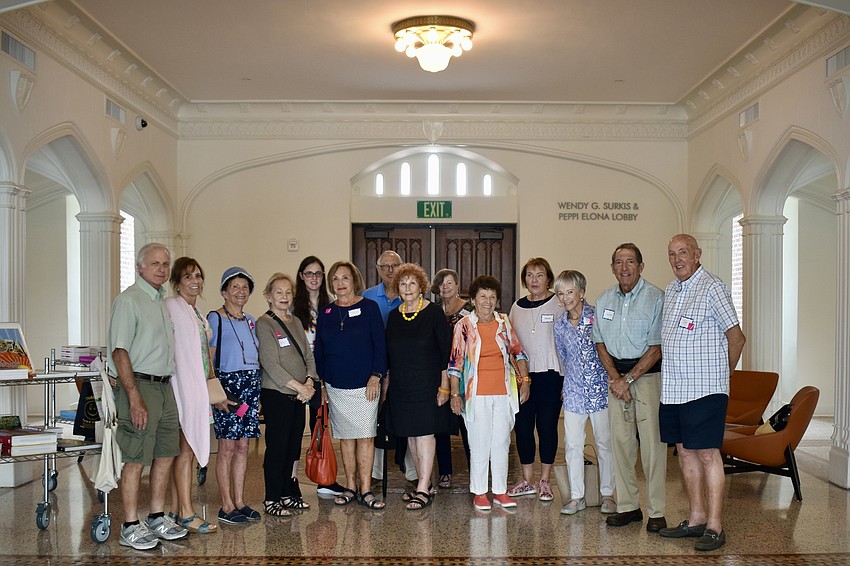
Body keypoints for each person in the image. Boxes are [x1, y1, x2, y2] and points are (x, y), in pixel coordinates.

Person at [658, 234, 746, 552]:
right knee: (684, 451)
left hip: (705, 389)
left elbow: (736, 337)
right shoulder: (671, 289)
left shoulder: (712, 287)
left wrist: (724, 376)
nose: (677, 258)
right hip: (674, 389)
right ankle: (695, 518)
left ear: (697, 254)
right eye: (672, 254)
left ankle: (714, 525)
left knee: (708, 455)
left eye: (683, 252)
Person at [107, 243, 188, 550]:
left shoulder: (159, 301)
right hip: (139, 386)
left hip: (164, 386)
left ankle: (156, 516)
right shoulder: (130, 300)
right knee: (136, 457)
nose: (162, 269)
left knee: (166, 452)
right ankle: (129, 524)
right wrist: (134, 397)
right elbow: (119, 351)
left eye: (165, 264)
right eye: (155, 263)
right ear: (140, 267)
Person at [593, 243, 667, 532]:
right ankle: (628, 507)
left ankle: (657, 511)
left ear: (641, 266)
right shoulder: (603, 300)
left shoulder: (656, 298)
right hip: (616, 382)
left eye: (631, 261)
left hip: (647, 378)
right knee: (621, 445)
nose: (624, 267)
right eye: (619, 262)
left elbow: (657, 346)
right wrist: (616, 379)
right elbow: (599, 341)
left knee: (652, 446)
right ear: (612, 267)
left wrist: (629, 380)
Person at [448, 275, 529, 511]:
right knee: (479, 443)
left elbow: (519, 354)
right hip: (476, 395)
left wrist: (525, 382)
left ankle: (501, 492)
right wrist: (455, 394)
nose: (488, 301)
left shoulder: (504, 322)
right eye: (483, 296)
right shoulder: (463, 326)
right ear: (473, 299)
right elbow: (455, 364)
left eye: (492, 297)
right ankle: (480, 492)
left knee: (501, 443)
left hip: (503, 393)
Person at [314, 261, 387, 510]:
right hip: (336, 386)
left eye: (345, 278)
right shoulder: (325, 313)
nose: (340, 283)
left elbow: (380, 345)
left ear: (354, 281)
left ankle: (366, 489)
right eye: (335, 279)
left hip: (366, 385)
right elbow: (319, 351)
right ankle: (350, 486)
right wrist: (322, 383)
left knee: (365, 437)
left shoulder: (369, 308)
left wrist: (376, 375)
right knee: (345, 438)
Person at [385, 263, 452, 510]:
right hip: (402, 384)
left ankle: (423, 487)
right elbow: (389, 355)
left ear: (421, 286)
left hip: (428, 383)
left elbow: (445, 351)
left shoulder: (433, 312)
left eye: (412, 283)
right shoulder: (394, 316)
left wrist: (445, 385)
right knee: (412, 434)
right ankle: (424, 483)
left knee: (425, 432)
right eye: (403, 284)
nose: (407, 288)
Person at [553, 270, 616, 516]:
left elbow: (607, 349)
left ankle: (608, 494)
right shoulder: (559, 325)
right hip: (574, 392)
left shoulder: (597, 316)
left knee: (604, 443)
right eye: (561, 293)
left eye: (570, 292)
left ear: (581, 293)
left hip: (601, 390)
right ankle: (576, 497)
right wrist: (567, 385)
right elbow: (563, 358)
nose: (566, 297)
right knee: (573, 445)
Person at [256, 273, 317, 516]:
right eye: (278, 292)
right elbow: (270, 363)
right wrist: (300, 386)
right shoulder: (264, 323)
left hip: (299, 396)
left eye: (288, 292)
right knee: (277, 448)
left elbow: (308, 355)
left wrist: (310, 380)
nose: (284, 296)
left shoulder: (295, 321)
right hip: (277, 395)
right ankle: (271, 498)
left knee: (293, 447)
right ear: (268, 296)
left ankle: (288, 493)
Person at [164, 257, 218, 534]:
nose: (195, 280)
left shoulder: (196, 312)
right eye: (188, 277)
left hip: (198, 389)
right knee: (184, 451)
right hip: (183, 388)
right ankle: (185, 512)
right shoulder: (173, 307)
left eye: (198, 275)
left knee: (186, 451)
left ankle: (176, 509)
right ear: (176, 282)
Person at [507, 258, 565, 503]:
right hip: (523, 376)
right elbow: (511, 342)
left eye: (539, 275)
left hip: (551, 374)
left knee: (547, 427)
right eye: (529, 275)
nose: (534, 280)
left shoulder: (559, 303)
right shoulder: (516, 307)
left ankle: (545, 481)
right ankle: (527, 480)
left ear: (548, 278)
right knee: (522, 428)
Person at [208, 267, 262, 525]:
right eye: (235, 287)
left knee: (243, 446)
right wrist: (217, 393)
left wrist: (257, 392)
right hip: (228, 387)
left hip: (250, 386)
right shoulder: (215, 318)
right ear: (224, 291)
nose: (240, 292)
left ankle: (240, 501)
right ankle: (226, 504)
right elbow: (208, 358)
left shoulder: (250, 321)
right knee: (227, 447)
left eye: (245, 287)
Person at [292, 256, 345, 497]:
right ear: (302, 276)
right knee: (293, 430)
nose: (314, 278)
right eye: (309, 273)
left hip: (321, 375)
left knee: (319, 426)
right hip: (295, 375)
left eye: (318, 273)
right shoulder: (292, 306)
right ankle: (291, 480)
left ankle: (325, 479)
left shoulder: (331, 306)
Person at [430, 268, 473, 488]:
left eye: (449, 283)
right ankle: (445, 472)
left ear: (457, 285)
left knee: (467, 425)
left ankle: (476, 470)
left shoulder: (469, 310)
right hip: (439, 374)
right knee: (441, 426)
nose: (445, 287)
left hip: (464, 375)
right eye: (441, 284)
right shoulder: (433, 310)